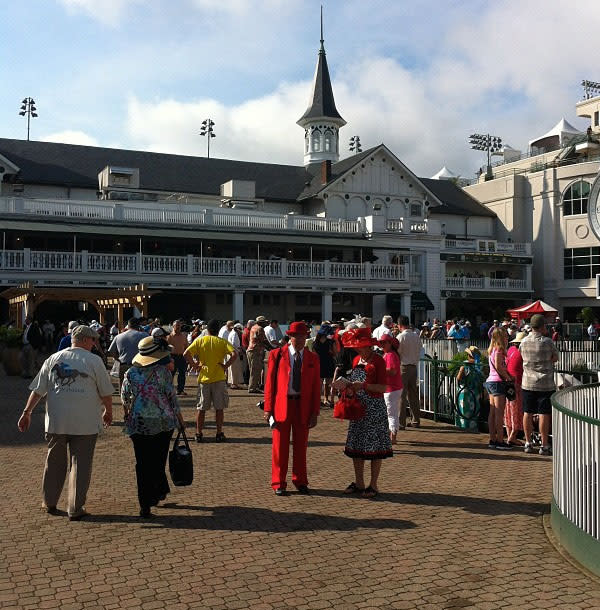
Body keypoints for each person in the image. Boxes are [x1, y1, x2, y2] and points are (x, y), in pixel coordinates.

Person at [17, 325, 114, 520]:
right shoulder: (94, 361)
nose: (95, 344)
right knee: (81, 465)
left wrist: (27, 412)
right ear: (86, 340)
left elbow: (38, 390)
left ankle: (50, 502)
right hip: (85, 423)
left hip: (56, 422)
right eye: (93, 340)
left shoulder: (53, 358)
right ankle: (75, 508)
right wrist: (108, 411)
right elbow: (106, 392)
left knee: (54, 463)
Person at [121, 335, 185, 518]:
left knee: (142, 464)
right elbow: (171, 398)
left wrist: (127, 413)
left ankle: (145, 504)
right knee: (158, 461)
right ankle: (156, 492)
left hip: (138, 423)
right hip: (163, 423)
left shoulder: (130, 373)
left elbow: (125, 398)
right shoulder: (163, 373)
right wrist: (180, 419)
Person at [263, 321, 320, 495]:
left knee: (301, 447)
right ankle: (278, 483)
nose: (301, 339)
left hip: (302, 406)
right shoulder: (276, 355)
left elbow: (316, 387)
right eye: (297, 336)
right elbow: (270, 383)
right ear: (290, 337)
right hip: (282, 406)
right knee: (279, 447)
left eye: (303, 336)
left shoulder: (312, 358)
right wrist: (268, 408)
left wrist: (315, 412)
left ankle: (300, 481)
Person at [340, 327, 393, 498]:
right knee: (357, 445)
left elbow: (384, 387)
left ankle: (374, 484)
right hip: (358, 406)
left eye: (360, 345)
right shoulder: (356, 360)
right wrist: (348, 389)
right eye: (356, 345)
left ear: (369, 346)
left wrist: (363, 386)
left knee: (375, 446)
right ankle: (359, 482)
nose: (357, 348)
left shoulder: (378, 361)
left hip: (374, 408)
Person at [184, 319, 237, 442]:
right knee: (219, 408)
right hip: (218, 378)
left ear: (207, 329)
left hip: (204, 378)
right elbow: (234, 354)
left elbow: (186, 353)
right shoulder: (222, 342)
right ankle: (219, 433)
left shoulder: (201, 340)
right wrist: (225, 366)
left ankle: (198, 433)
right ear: (218, 330)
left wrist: (194, 365)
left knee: (201, 408)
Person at [520, 314, 558, 455]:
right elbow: (555, 358)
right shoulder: (547, 342)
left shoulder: (523, 342)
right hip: (545, 383)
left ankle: (528, 442)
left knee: (527, 412)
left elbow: (522, 356)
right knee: (544, 414)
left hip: (528, 382)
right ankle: (544, 445)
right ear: (542, 326)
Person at [484, 328, 512, 449]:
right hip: (498, 382)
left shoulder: (491, 350)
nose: (507, 338)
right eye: (505, 336)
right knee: (499, 413)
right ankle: (500, 440)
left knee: (492, 413)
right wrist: (508, 377)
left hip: (490, 381)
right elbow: (498, 366)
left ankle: (492, 438)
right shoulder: (499, 350)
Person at [396, 315, 422, 429]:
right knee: (413, 395)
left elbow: (398, 352)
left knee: (402, 395)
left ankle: (401, 422)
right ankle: (415, 420)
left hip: (404, 367)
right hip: (414, 367)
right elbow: (420, 349)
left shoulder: (400, 337)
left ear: (399, 325)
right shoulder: (416, 336)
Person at [108, 318, 149, 387]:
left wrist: (117, 359)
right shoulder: (144, 335)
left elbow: (111, 351)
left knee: (123, 388)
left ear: (128, 325)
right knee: (140, 389)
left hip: (123, 365)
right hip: (140, 365)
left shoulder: (118, 336)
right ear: (139, 326)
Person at [379, 334, 402, 443]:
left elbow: (393, 371)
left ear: (390, 343)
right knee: (391, 412)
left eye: (384, 343)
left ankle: (393, 436)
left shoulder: (390, 355)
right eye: (381, 343)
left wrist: (379, 370)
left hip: (391, 388)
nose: (382, 345)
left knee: (390, 413)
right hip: (392, 388)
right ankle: (392, 435)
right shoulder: (389, 354)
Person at [455, 346, 483, 432]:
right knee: (474, 410)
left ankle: (463, 427)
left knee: (463, 410)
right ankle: (473, 428)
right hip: (475, 392)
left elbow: (458, 378)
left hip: (465, 392)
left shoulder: (465, 365)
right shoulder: (479, 365)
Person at [504, 331, 525, 446]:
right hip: (516, 383)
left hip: (508, 382)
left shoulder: (511, 350)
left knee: (508, 410)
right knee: (517, 411)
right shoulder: (521, 353)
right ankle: (512, 436)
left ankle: (509, 435)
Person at [313, 325, 336, 407]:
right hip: (328, 362)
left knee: (320, 383)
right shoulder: (331, 342)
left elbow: (314, 354)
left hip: (320, 363)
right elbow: (335, 353)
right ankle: (325, 399)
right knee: (327, 382)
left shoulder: (315, 342)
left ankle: (319, 400)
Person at [246, 316, 268, 394]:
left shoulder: (253, 327)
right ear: (261, 322)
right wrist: (273, 348)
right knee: (256, 370)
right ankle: (252, 388)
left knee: (252, 370)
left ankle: (253, 386)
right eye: (264, 322)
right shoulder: (260, 329)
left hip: (250, 350)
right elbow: (264, 341)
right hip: (256, 351)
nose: (266, 323)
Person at [167, 319, 189, 396]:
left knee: (182, 374)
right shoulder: (169, 337)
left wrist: (187, 358)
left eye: (179, 326)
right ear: (173, 326)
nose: (178, 327)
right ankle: (168, 390)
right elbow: (167, 349)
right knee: (170, 375)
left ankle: (180, 390)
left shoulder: (183, 336)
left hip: (181, 357)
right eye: (177, 326)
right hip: (172, 357)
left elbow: (186, 347)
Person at [227, 323, 245, 389]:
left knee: (232, 369)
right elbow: (234, 344)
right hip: (234, 352)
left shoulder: (231, 333)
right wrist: (240, 349)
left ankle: (233, 383)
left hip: (232, 352)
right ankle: (234, 384)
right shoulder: (234, 334)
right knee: (234, 368)